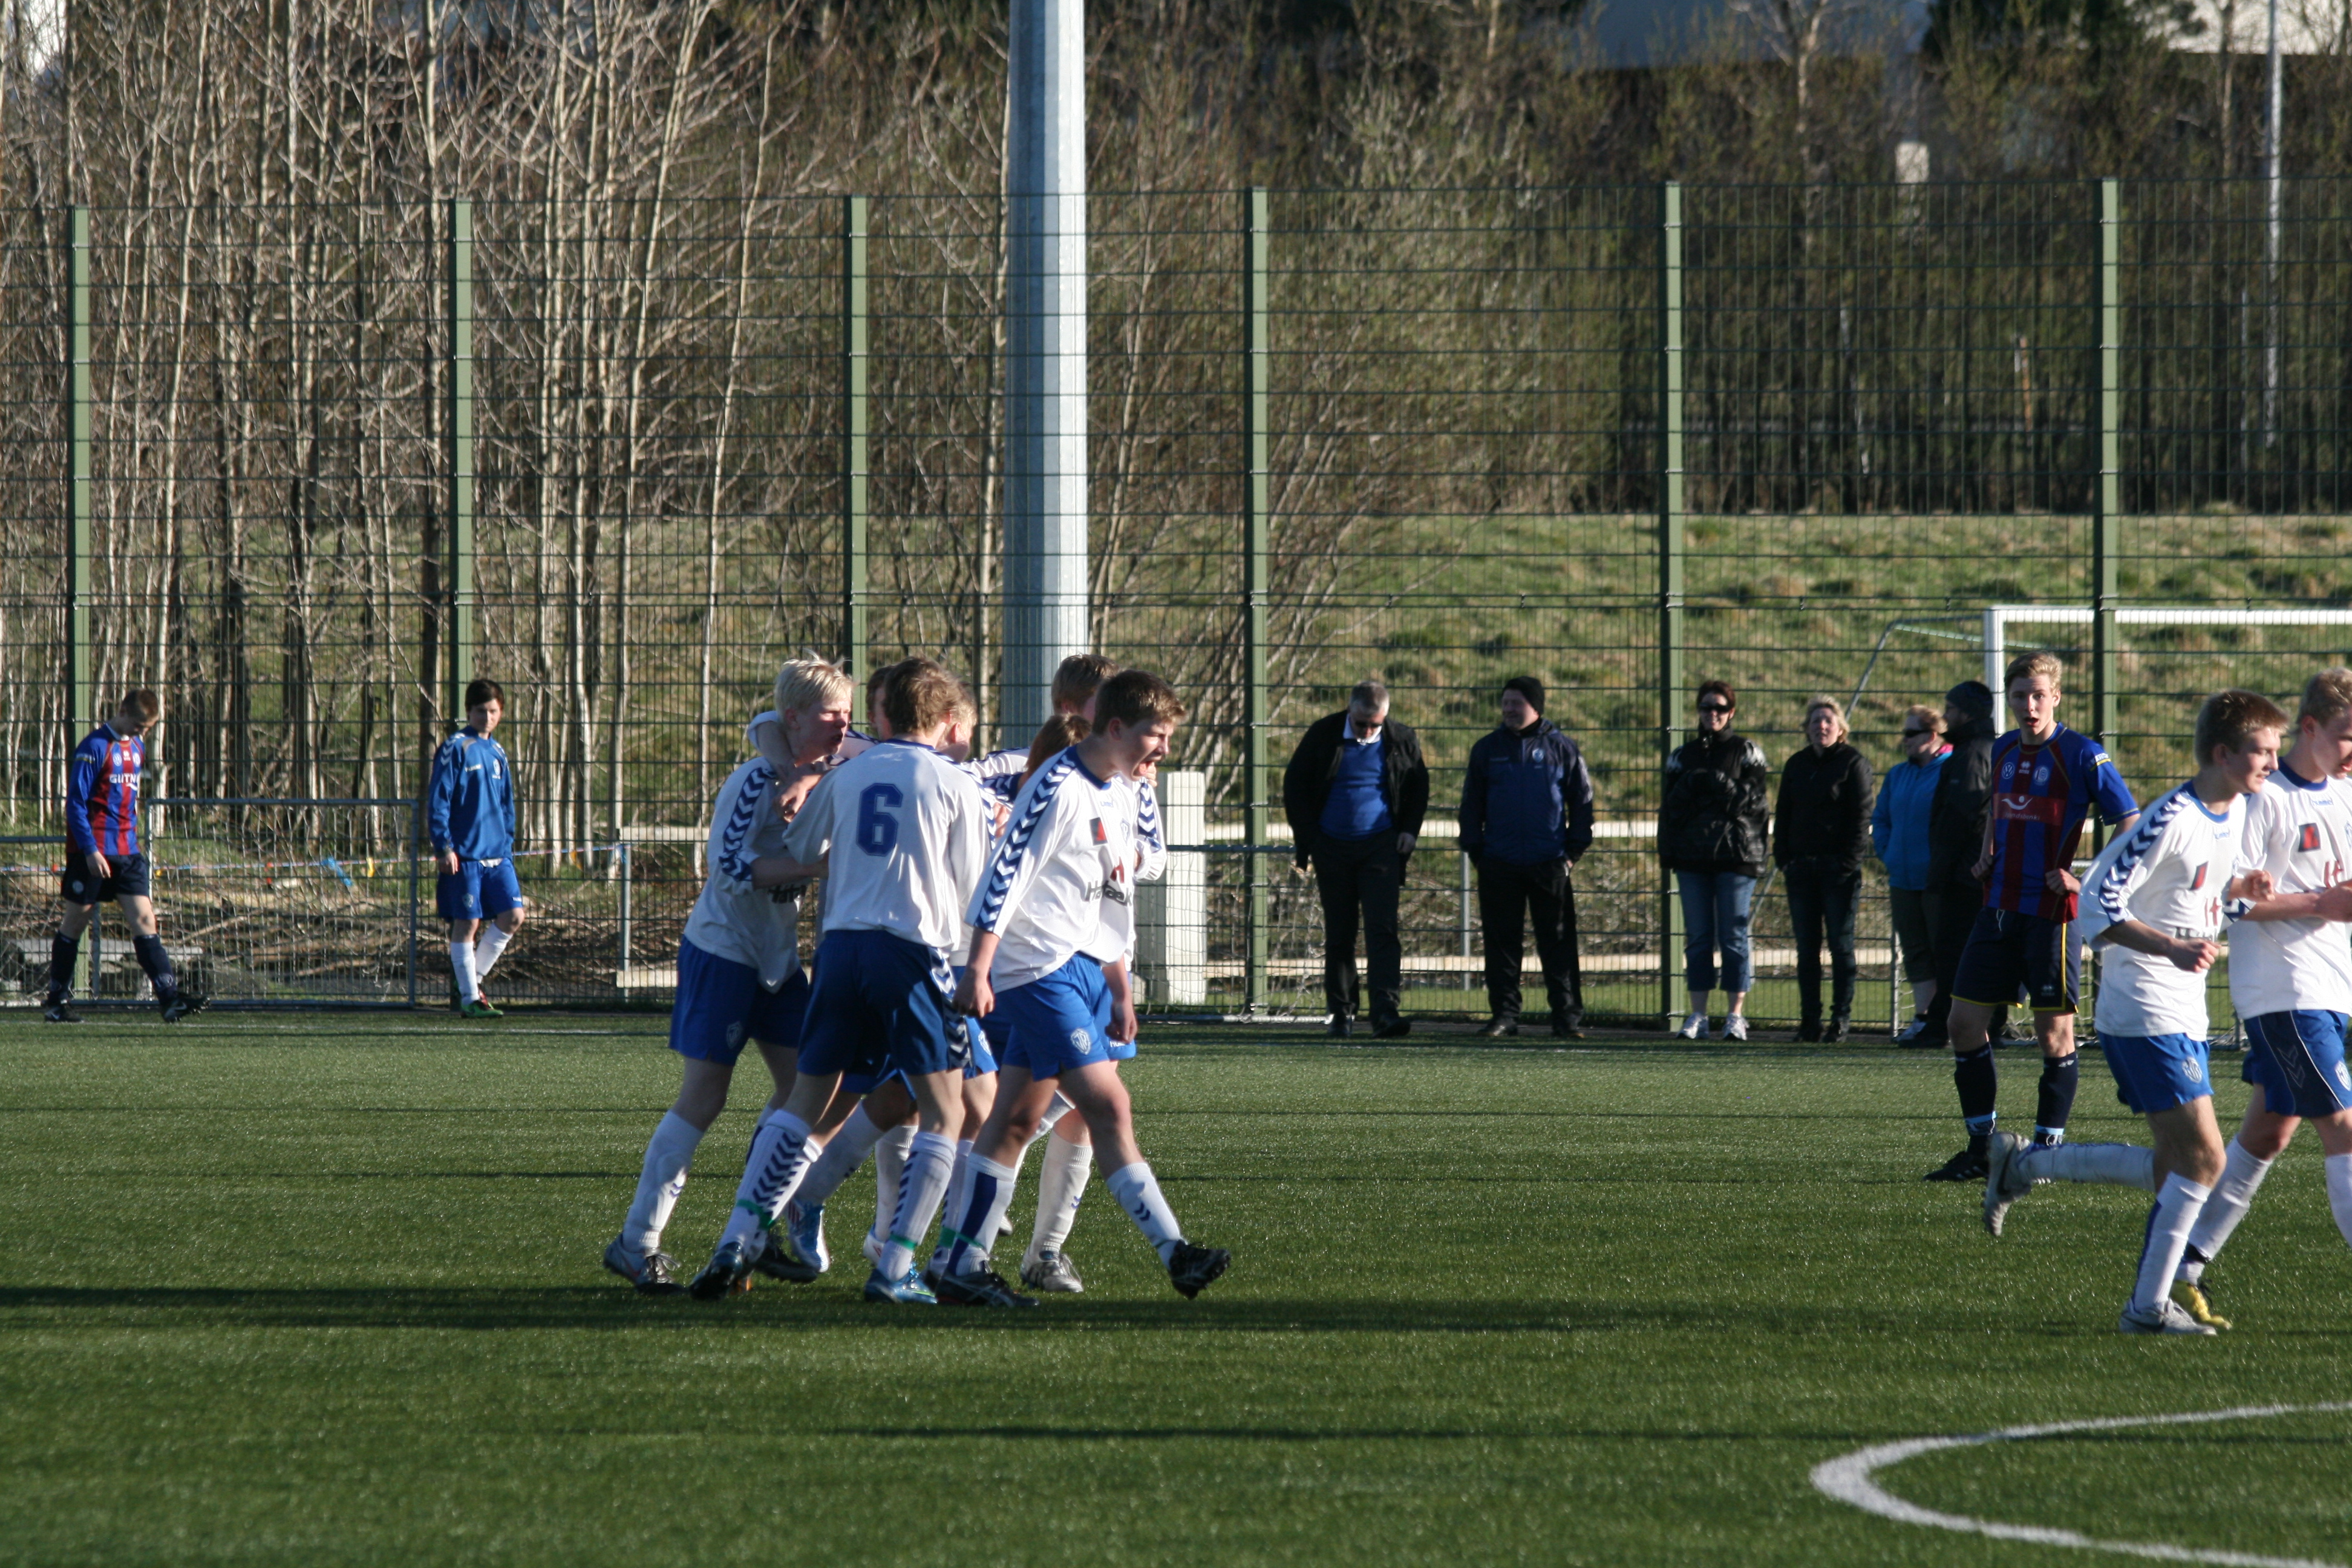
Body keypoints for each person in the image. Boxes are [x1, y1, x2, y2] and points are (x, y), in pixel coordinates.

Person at [690, 659, 996, 1304]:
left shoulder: (849, 774)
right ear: (948, 720)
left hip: (839, 951)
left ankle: (736, 1239)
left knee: (804, 1100)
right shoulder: (955, 784)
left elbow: (803, 851)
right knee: (948, 1111)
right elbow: (974, 888)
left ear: (881, 716)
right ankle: (897, 1265)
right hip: (912, 954)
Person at [1981, 689, 2284, 1335]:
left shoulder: (2234, 811)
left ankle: (2023, 1165)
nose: (2272, 763)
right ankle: (2146, 1307)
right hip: (2144, 1006)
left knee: (2175, 1166)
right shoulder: (2170, 816)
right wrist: (2170, 947)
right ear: (2223, 753)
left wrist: (2239, 892)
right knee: (2205, 1160)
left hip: (2182, 1008)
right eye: (2262, 751)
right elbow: (2098, 904)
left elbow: (2200, 895)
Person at [947, 669, 1231, 1304]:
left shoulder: (1124, 790)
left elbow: (1119, 891)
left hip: (1085, 968)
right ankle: (1176, 1251)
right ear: (1116, 728)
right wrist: (978, 968)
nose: (1164, 749)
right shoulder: (1057, 786)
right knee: (1108, 1106)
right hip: (1038, 969)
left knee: (1015, 1120)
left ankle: (958, 1261)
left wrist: (1120, 986)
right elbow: (1004, 875)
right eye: (1156, 735)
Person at [601, 657, 849, 1294]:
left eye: (849, 712)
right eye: (831, 713)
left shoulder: (832, 768)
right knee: (705, 1096)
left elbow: (798, 729)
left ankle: (752, 1223)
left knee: (808, 1090)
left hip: (778, 963)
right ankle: (636, 1243)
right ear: (796, 718)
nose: (844, 723)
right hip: (723, 953)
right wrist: (815, 866)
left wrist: (807, 772)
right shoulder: (753, 780)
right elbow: (730, 868)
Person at [2164, 668, 2352, 1330]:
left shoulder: (2345, 793)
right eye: (2347, 736)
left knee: (2270, 1132)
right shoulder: (2264, 798)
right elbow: (2230, 899)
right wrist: (2321, 903)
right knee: (2345, 1128)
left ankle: (2182, 1265)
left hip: (2332, 985)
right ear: (2310, 728)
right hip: (2284, 991)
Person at [1926, 652, 2138, 1182]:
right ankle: (1981, 1149)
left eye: (2039, 695)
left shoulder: (2083, 754)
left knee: (2054, 1037)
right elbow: (1999, 810)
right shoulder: (2001, 749)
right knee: (1962, 1024)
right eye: (2020, 696)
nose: (2030, 705)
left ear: (2056, 697)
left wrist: (2089, 880)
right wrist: (1986, 852)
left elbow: (2131, 821)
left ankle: (2046, 1155)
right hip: (1997, 908)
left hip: (2051, 915)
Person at [42, 688, 204, 1024]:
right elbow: (75, 805)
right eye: (139, 725)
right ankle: (56, 1003)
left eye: (147, 728)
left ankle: (170, 1000)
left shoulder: (137, 747)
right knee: (75, 923)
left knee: (145, 921)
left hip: (128, 851)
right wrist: (90, 850)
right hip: (94, 852)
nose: (142, 732)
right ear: (122, 712)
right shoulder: (94, 747)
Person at [1281, 678, 1429, 1039]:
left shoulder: (1401, 739)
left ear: (1385, 717)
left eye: (1374, 725)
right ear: (1350, 710)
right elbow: (1294, 786)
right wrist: (1311, 839)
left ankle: (1385, 1011)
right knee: (1340, 933)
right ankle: (1341, 1012)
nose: (1367, 731)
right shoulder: (1323, 735)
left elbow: (1418, 786)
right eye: (1361, 723)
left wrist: (1409, 830)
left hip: (1381, 847)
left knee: (1383, 930)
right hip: (1332, 846)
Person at [1459, 676, 1595, 1040]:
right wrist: (1478, 852)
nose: (1508, 709)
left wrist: (1571, 854)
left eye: (1516, 703)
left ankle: (1566, 1018)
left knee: (1558, 943)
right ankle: (1505, 1015)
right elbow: (1470, 804)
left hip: (1550, 862)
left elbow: (1582, 803)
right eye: (1505, 702)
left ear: (1536, 707)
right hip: (1498, 862)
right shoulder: (1487, 749)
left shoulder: (1562, 748)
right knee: (1501, 944)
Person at [1661, 680, 1771, 1040]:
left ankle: (1735, 1015)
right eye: (1707, 707)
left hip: (1735, 857)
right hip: (1692, 858)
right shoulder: (1681, 756)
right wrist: (1668, 853)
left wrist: (1720, 785)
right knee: (1698, 938)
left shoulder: (1748, 752)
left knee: (1734, 937)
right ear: (1698, 710)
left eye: (1720, 708)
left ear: (1731, 712)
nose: (1713, 714)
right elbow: (1671, 808)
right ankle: (1698, 1014)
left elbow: (1753, 803)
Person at [1772, 696, 1874, 1042]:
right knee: (1807, 949)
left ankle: (1840, 1020)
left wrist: (1847, 863)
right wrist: (1784, 858)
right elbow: (1783, 814)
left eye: (1828, 720)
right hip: (1801, 870)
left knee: (1841, 946)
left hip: (1838, 872)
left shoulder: (1853, 763)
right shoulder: (1796, 764)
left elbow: (1861, 817)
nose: (1822, 726)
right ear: (1807, 728)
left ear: (1841, 727)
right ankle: (1809, 1021)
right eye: (1815, 720)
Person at [427, 678, 524, 1018]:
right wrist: (444, 846)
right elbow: (439, 799)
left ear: (501, 712)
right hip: (465, 855)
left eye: (493, 711)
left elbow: (506, 804)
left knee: (513, 917)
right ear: (469, 712)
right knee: (467, 923)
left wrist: (507, 843)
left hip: (498, 855)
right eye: (481, 711)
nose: (488, 717)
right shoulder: (456, 747)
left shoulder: (498, 752)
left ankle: (470, 980)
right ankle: (470, 998)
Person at [1873, 704, 1952, 1044]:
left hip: (1938, 881)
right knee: (1916, 951)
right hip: (1902, 880)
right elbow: (1881, 819)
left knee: (1943, 950)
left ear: (1932, 736)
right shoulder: (1897, 775)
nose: (1904, 740)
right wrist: (1888, 854)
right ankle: (1924, 1018)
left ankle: (1950, 1020)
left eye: (1911, 733)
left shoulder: (1950, 770)